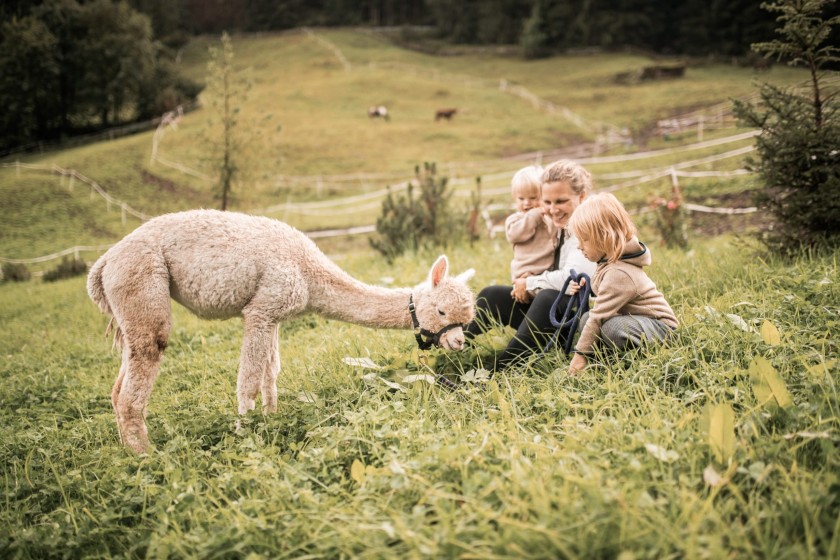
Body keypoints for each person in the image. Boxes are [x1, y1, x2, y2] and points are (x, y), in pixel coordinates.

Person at [466, 159, 596, 370]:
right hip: (552, 316)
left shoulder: (586, 228)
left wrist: (529, 283)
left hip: (577, 321)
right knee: (493, 295)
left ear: (581, 197)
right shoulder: (559, 226)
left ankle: (498, 371)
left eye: (561, 201)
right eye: (547, 202)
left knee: (548, 295)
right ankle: (448, 343)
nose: (553, 209)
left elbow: (572, 277)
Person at [566, 192, 678, 375]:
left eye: (584, 239)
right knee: (586, 318)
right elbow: (605, 301)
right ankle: (607, 359)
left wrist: (580, 355)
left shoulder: (619, 272)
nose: (579, 246)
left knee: (612, 328)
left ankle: (633, 363)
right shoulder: (609, 262)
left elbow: (600, 315)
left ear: (604, 236)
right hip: (637, 320)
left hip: (662, 329)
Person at [505, 165, 555, 282]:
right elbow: (514, 235)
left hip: (547, 273)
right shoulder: (515, 220)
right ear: (514, 198)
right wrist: (533, 216)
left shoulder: (549, 218)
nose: (527, 203)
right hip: (525, 273)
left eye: (533, 198)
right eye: (521, 199)